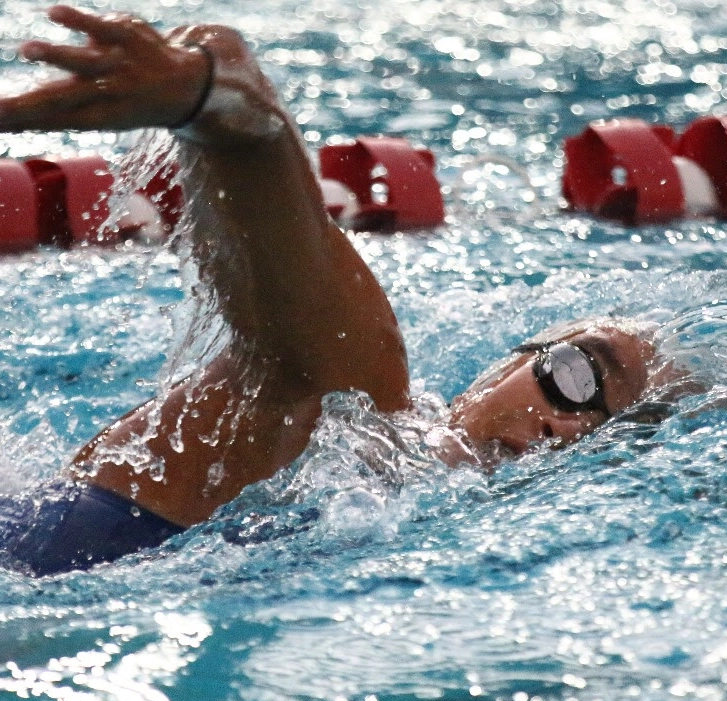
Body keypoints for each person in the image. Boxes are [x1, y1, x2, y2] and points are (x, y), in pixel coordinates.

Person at [0, 6, 665, 575]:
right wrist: (214, 100)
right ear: (512, 360)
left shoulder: (409, 529)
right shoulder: (358, 399)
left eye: (610, 433)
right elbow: (251, 141)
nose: (567, 427)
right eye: (578, 376)